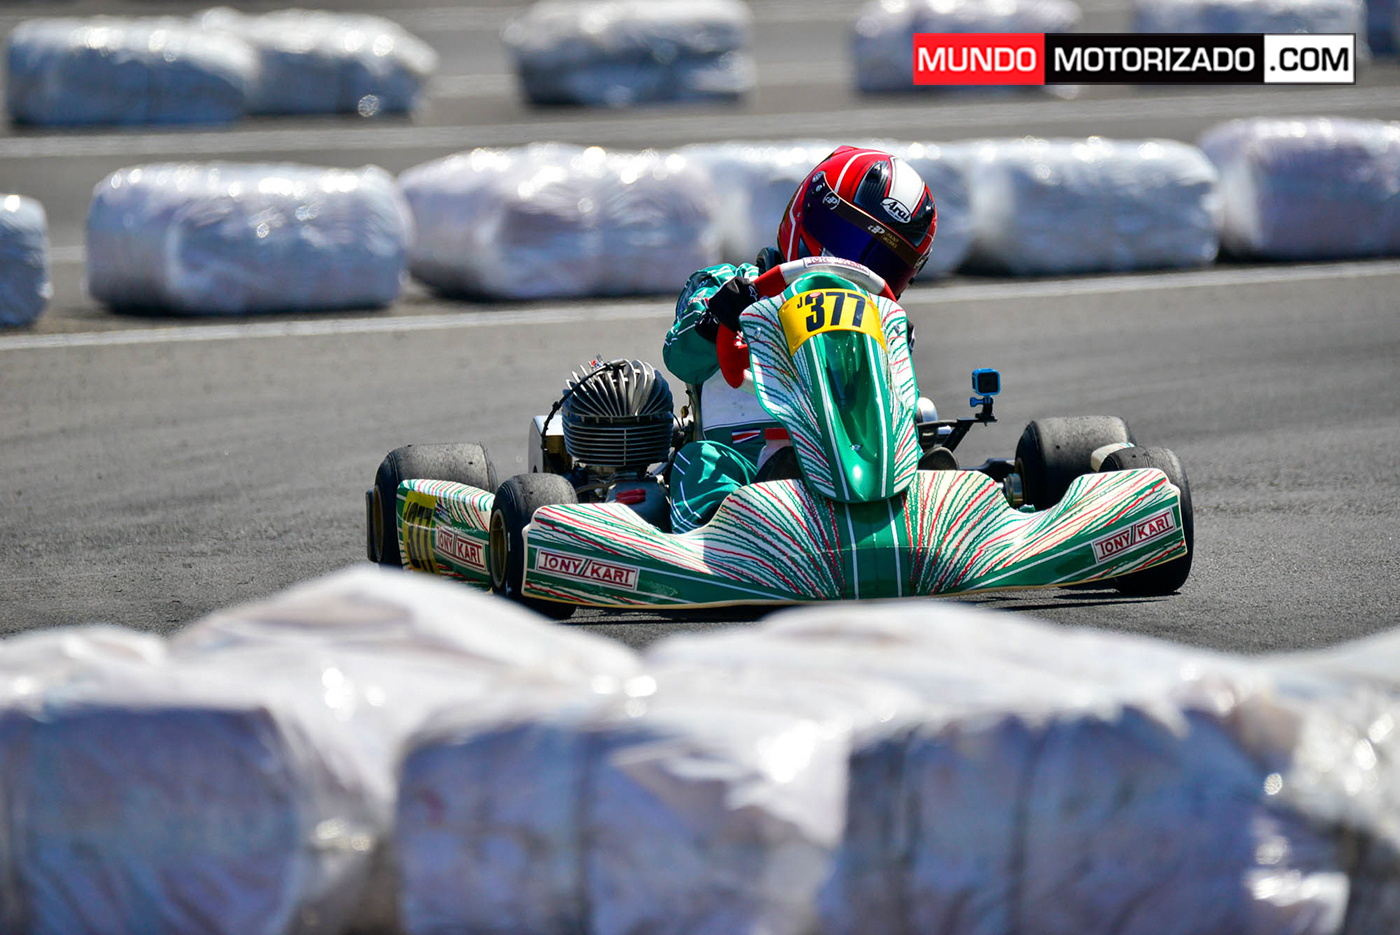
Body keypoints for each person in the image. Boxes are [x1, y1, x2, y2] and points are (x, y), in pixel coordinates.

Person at [663, 146, 939, 533]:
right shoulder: (726, 285)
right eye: (846, 241)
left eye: (886, 264)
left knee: (920, 456)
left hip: (849, 464)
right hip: (744, 460)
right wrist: (717, 317)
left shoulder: (882, 318)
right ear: (809, 215)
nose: (853, 266)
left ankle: (921, 510)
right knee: (703, 462)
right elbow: (679, 357)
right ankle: (721, 537)